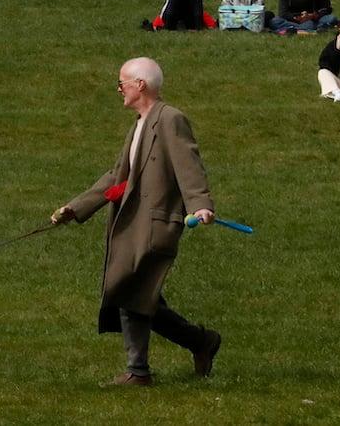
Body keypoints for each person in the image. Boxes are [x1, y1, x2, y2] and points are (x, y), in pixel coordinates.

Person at [50, 57, 221, 387]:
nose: (119, 90)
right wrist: (76, 207)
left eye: (122, 83)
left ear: (140, 85)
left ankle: (139, 370)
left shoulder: (170, 119)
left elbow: (189, 165)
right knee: (139, 295)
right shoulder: (140, 123)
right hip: (130, 222)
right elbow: (118, 177)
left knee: (128, 288)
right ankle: (198, 343)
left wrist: (201, 204)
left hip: (155, 224)